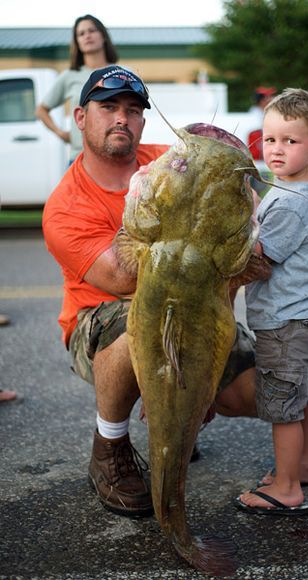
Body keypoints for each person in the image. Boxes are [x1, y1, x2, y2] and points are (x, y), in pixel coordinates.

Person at [42, 65, 260, 519]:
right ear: (80, 117)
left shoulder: (171, 161)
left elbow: (233, 247)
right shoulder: (65, 206)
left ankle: (177, 423)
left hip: (196, 305)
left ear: (143, 121)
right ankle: (110, 447)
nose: (122, 118)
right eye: (108, 108)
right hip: (101, 320)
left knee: (258, 393)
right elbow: (126, 279)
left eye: (133, 110)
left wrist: (202, 370)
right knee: (137, 330)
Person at [232, 88, 308, 516]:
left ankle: (288, 487)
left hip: (283, 324)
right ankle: (306, 466)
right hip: (300, 320)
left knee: (283, 408)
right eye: (270, 139)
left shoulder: (291, 202)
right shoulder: (290, 189)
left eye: (291, 141)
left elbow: (262, 259)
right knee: (306, 397)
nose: (276, 149)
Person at [36, 14, 118, 163]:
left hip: (116, 159)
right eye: (81, 33)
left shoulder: (121, 73)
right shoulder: (69, 76)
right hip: (80, 159)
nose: (87, 36)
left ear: (103, 35)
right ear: (77, 42)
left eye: (92, 30)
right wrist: (61, 134)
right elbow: (41, 110)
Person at [248, 86, 277, 179]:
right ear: (262, 100)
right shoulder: (255, 117)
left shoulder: (264, 114)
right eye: (269, 96)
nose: (273, 98)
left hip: (262, 160)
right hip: (256, 161)